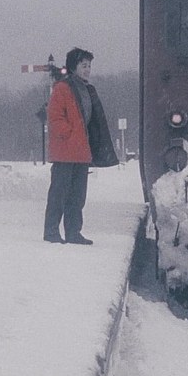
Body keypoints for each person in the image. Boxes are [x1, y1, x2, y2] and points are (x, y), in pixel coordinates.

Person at [43, 47, 118, 244]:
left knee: (77, 197)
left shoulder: (87, 90)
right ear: (73, 67)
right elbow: (55, 116)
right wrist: (69, 134)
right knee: (59, 194)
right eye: (84, 65)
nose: (87, 70)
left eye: (89, 66)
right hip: (65, 152)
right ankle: (51, 232)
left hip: (81, 152)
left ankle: (73, 232)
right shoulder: (62, 88)